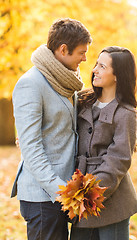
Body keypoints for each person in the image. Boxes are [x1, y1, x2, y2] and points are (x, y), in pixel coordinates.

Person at [11, 18, 92, 240]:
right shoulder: (31, 84)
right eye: (81, 52)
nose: (85, 58)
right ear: (63, 49)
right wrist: (62, 191)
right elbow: (32, 149)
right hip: (43, 196)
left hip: (66, 192)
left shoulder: (67, 81)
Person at [70, 46, 137, 240]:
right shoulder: (82, 101)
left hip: (112, 201)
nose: (94, 70)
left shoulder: (126, 113)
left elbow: (118, 159)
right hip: (79, 198)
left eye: (102, 66)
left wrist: (90, 193)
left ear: (117, 75)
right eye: (96, 64)